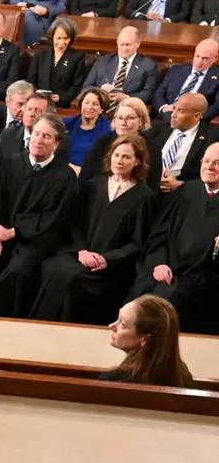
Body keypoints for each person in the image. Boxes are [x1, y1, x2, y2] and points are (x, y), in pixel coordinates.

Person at [0, 114, 77, 318]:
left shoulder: (65, 176)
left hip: (34, 241)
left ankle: (7, 329)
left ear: (56, 144)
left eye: (46, 136)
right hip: (0, 233)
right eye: (36, 134)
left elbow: (53, 219)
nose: (39, 140)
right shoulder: (10, 165)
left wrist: (14, 232)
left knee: (18, 271)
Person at [30, 135, 154, 324]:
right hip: (78, 253)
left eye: (126, 157)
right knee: (53, 267)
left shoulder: (144, 197)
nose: (119, 161)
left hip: (111, 264)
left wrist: (106, 259)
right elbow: (74, 224)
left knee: (75, 279)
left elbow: (138, 243)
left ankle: (67, 332)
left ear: (137, 161)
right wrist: (81, 251)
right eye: (116, 155)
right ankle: (40, 327)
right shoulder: (93, 186)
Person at [128, 142, 219, 334]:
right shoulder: (185, 193)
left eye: (217, 163)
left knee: (171, 297)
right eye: (207, 161)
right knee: (141, 288)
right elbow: (159, 236)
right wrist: (160, 263)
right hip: (165, 268)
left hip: (204, 278)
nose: (210, 167)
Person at [101, 295, 193, 386]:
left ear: (144, 339)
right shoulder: (183, 376)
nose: (112, 326)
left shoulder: (114, 381)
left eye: (122, 324)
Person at [144, 93, 216, 195]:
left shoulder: (212, 138)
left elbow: (213, 176)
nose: (173, 114)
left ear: (197, 116)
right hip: (147, 188)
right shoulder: (157, 130)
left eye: (180, 111)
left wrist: (181, 186)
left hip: (182, 196)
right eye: (174, 108)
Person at [82, 27, 158, 105]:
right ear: (117, 43)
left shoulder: (148, 65)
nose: (124, 49)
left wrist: (127, 98)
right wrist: (99, 90)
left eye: (128, 45)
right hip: (101, 106)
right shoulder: (102, 61)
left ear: (138, 44)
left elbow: (148, 94)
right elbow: (86, 87)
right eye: (122, 44)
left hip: (129, 108)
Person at [81, 98, 152, 182]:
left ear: (141, 121)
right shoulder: (102, 142)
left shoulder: (151, 144)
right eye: (120, 118)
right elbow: (86, 176)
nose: (123, 123)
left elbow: (153, 182)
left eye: (130, 118)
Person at [151, 39, 219, 123]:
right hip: (167, 115)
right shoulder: (176, 70)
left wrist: (198, 118)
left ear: (215, 58)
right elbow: (159, 92)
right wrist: (164, 107)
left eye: (205, 59)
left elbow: (217, 105)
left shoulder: (217, 77)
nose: (199, 62)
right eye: (197, 56)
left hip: (193, 121)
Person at [27, 18, 86, 108]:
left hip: (60, 105)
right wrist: (36, 91)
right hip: (38, 101)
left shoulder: (77, 57)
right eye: (58, 38)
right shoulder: (40, 54)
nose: (61, 42)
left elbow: (76, 87)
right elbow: (31, 80)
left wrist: (60, 97)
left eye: (65, 38)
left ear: (71, 38)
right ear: (52, 36)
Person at [63, 87, 113, 169]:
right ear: (81, 104)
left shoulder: (109, 128)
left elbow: (107, 159)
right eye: (86, 103)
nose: (89, 107)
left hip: (93, 173)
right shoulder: (65, 124)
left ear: (101, 109)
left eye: (95, 104)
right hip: (65, 169)